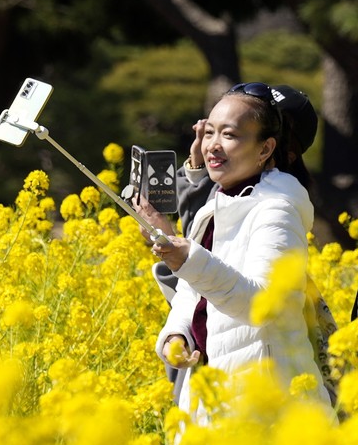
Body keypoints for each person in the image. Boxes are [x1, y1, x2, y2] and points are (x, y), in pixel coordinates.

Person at [138, 82, 332, 422]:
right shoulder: (217, 204)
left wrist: (187, 258)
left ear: (266, 149)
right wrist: (178, 333)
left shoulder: (277, 209)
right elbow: (192, 293)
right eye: (209, 131)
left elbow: (263, 304)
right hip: (214, 397)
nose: (212, 145)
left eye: (230, 135)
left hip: (266, 409)